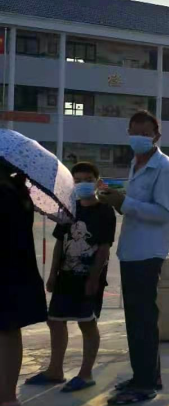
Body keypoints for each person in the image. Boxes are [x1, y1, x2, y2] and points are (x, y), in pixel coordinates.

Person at [98, 110, 169, 406]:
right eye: (135, 132)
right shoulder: (136, 163)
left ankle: (144, 384)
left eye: (146, 133)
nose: (139, 138)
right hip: (132, 250)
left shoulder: (165, 168)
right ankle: (145, 376)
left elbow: (164, 213)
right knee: (136, 319)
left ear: (157, 136)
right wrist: (117, 199)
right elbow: (136, 205)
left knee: (143, 320)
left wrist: (125, 203)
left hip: (148, 252)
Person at [25, 162, 115, 393]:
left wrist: (94, 278)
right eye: (77, 180)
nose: (82, 184)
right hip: (65, 276)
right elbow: (59, 243)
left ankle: (86, 374)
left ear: (97, 182)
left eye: (88, 180)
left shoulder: (105, 211)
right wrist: (53, 273)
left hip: (88, 277)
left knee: (87, 322)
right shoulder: (69, 208)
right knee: (55, 320)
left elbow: (104, 248)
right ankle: (55, 370)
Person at [0, 160, 48, 406]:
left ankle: (4, 397)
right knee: (10, 332)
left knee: (6, 332)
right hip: (18, 271)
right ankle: (7, 395)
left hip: (6, 272)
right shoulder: (18, 191)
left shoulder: (4, 193)